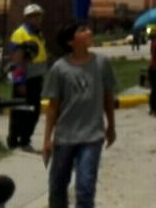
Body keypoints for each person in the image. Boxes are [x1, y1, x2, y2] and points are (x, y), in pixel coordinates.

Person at [42, 22, 117, 208]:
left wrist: (111, 126)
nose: (89, 31)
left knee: (85, 187)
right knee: (58, 186)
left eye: (88, 29)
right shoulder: (60, 68)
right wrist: (47, 139)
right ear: (70, 41)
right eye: (82, 31)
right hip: (65, 137)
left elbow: (108, 97)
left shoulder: (101, 63)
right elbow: (53, 107)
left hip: (92, 136)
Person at [7, 3, 48, 148]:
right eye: (33, 16)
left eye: (38, 16)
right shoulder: (21, 33)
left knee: (33, 111)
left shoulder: (38, 33)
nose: (37, 19)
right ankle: (15, 139)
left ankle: (25, 138)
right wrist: (20, 81)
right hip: (24, 79)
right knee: (20, 110)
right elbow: (17, 59)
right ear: (27, 18)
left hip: (36, 78)